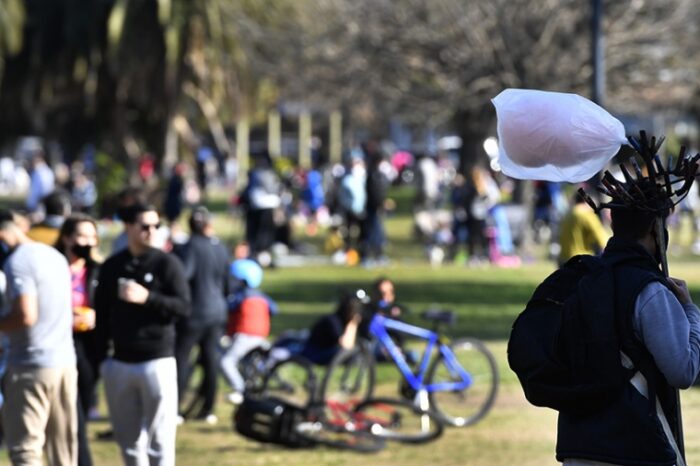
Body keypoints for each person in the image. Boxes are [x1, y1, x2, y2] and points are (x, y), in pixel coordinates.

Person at [556, 179, 700, 465]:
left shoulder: (584, 278)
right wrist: (690, 312)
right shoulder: (649, 290)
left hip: (578, 446)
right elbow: (684, 371)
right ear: (654, 230)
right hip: (632, 445)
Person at [94, 203, 190, 466]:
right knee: (129, 441)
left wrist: (148, 298)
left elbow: (183, 306)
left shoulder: (167, 264)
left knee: (160, 441)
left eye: (156, 226)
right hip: (120, 361)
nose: (151, 231)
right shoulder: (114, 266)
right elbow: (101, 313)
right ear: (128, 228)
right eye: (145, 226)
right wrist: (102, 358)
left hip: (157, 359)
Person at [0, 209, 78, 466]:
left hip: (31, 365)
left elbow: (26, 315)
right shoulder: (54, 255)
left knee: (26, 450)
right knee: (63, 451)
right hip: (65, 363)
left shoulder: (18, 262)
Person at [174, 206, 230, 423]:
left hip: (194, 313)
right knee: (210, 360)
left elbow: (185, 274)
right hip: (217, 312)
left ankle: (176, 407)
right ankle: (208, 408)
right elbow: (226, 282)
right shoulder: (221, 248)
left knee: (181, 360)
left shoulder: (190, 248)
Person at [55, 213, 102, 466]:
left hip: (88, 348)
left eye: (92, 236)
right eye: (82, 236)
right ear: (66, 238)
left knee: (80, 411)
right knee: (71, 415)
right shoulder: (53, 268)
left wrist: (97, 317)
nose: (88, 241)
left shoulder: (98, 271)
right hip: (58, 345)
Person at [220, 259, 277, 404]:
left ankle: (239, 389)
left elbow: (227, 308)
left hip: (244, 335)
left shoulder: (240, 296)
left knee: (226, 362)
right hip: (261, 335)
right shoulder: (261, 296)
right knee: (249, 363)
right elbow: (274, 309)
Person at [301, 292, 363, 366]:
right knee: (343, 352)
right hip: (315, 354)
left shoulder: (343, 321)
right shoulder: (332, 320)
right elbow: (346, 345)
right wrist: (353, 324)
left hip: (326, 351)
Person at [557, 191, 609, 265]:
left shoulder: (568, 214)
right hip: (580, 261)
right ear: (589, 201)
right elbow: (602, 240)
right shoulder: (586, 214)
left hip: (563, 259)